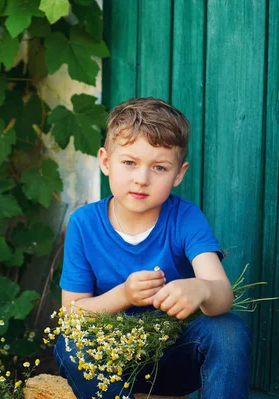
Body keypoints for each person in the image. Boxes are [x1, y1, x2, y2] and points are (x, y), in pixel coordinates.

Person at [54, 97, 252, 399]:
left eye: (159, 167)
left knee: (228, 330)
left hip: (173, 358)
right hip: (111, 365)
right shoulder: (84, 223)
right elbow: (72, 313)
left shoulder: (185, 218)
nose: (141, 179)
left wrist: (201, 289)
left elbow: (223, 295)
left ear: (179, 173)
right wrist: (124, 295)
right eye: (129, 162)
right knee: (69, 342)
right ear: (106, 162)